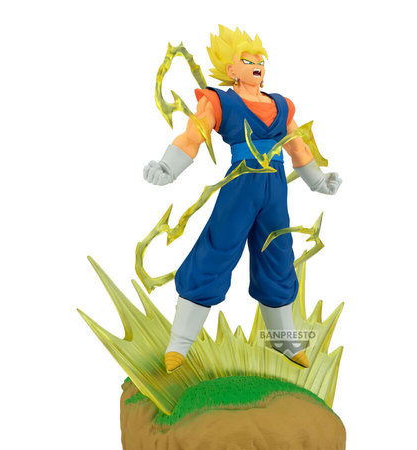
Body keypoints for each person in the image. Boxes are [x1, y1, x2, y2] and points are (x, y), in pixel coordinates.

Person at [143, 26, 342, 372]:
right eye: (248, 61)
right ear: (230, 69)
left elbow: (298, 146)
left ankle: (283, 338)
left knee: (278, 255)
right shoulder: (220, 102)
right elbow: (193, 135)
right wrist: (168, 167)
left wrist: (318, 180)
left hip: (275, 190)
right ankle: (180, 342)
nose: (257, 66)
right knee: (216, 251)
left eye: (260, 60)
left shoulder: (281, 105)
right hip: (240, 187)